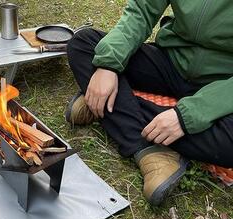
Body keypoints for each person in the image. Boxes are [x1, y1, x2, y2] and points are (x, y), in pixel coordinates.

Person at [65, 1, 233, 205]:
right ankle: (147, 151)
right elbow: (142, 11)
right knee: (85, 44)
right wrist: (108, 65)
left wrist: (186, 116)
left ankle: (113, 105)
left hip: (222, 81)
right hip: (172, 59)